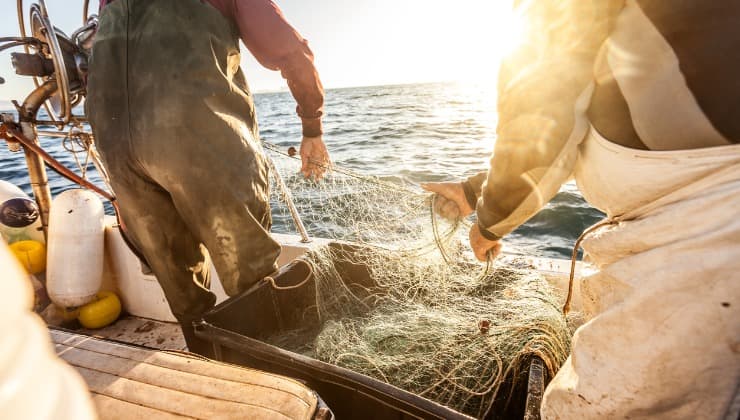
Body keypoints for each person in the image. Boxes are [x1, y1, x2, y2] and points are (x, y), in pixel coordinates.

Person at [424, 1, 740, 418]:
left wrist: (489, 225)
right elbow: (584, 118)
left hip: (710, 215)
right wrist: (472, 191)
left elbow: (543, 122)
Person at [86, 0, 331, 355]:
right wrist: (312, 125)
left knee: (178, 281)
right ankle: (276, 376)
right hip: (197, 139)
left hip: (116, 149)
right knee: (250, 272)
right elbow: (290, 50)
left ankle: (207, 361)